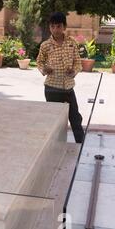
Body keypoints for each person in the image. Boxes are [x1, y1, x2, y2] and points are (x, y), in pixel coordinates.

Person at [36, 12, 85, 143]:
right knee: (54, 120)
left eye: (58, 26)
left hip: (68, 87)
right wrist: (44, 69)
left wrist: (73, 71)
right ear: (49, 28)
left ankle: (80, 145)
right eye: (52, 27)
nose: (55, 30)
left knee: (75, 117)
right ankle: (54, 147)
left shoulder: (71, 43)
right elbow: (39, 62)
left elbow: (78, 62)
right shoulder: (45, 45)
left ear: (64, 27)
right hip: (52, 88)